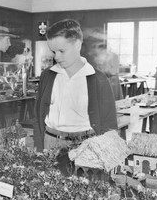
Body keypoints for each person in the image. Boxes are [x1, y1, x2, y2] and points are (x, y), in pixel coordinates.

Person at [32, 19, 118, 153]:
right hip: (50, 143)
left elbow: (109, 123)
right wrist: (38, 148)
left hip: (85, 145)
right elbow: (38, 117)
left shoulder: (98, 79)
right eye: (53, 52)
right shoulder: (47, 76)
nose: (57, 57)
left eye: (61, 51)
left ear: (77, 45)